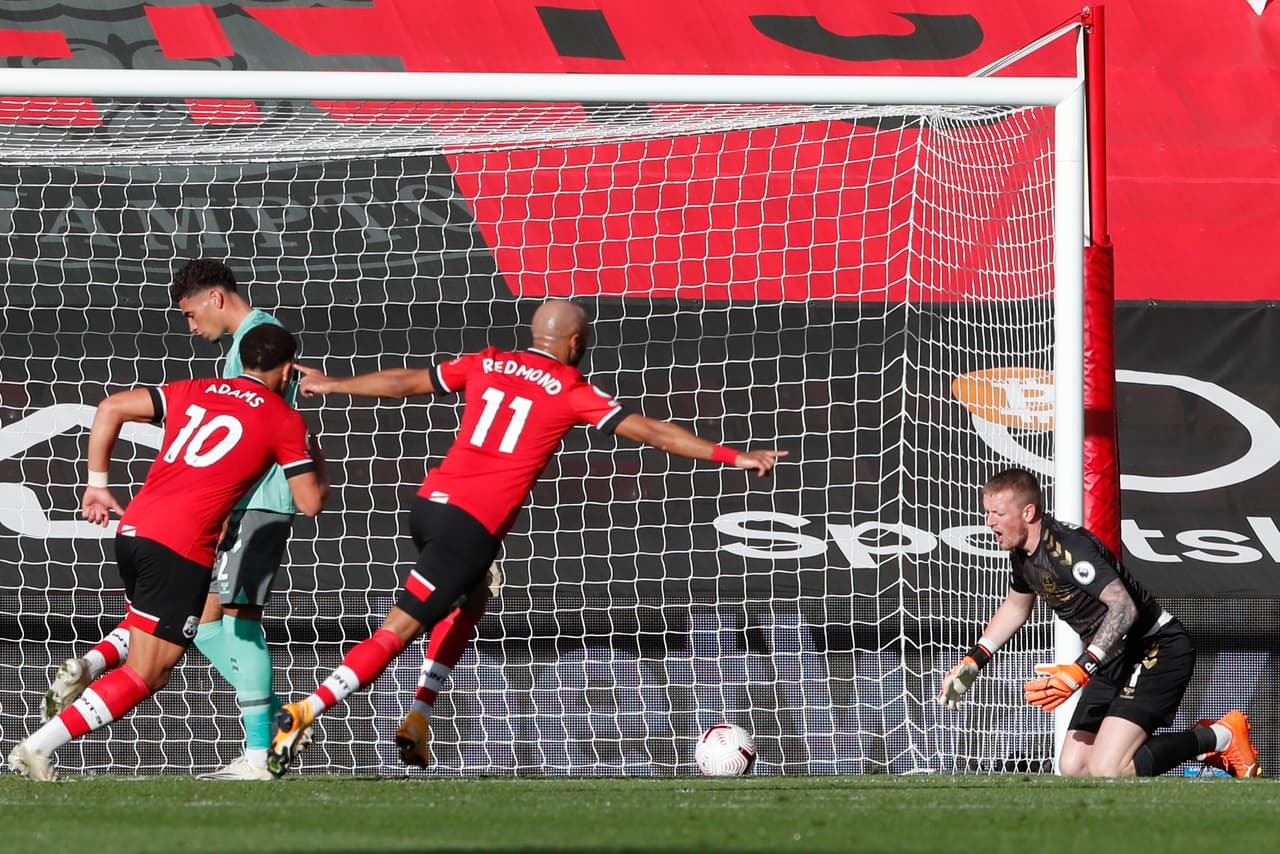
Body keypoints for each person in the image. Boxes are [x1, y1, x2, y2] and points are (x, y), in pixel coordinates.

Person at [267, 299, 787, 776]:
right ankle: (306, 709)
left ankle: (419, 716)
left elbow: (408, 382)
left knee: (471, 598)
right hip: (468, 526)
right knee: (397, 630)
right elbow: (650, 431)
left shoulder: (486, 360)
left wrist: (335, 385)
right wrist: (732, 456)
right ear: (578, 344)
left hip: (430, 507)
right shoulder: (569, 389)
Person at [9, 325, 329, 782]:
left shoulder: (194, 389)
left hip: (136, 529)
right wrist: (314, 453)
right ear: (286, 370)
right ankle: (36, 747)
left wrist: (97, 486)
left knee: (147, 635)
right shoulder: (284, 418)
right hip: (181, 545)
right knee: (148, 674)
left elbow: (111, 406)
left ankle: (91, 665)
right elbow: (310, 502)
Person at [937, 467, 1261, 778]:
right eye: (987, 512)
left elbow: (1124, 609)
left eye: (998, 514)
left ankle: (1218, 736)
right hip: (1113, 658)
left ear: (1028, 512)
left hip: (1155, 648)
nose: (989, 522)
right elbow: (1015, 607)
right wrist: (973, 662)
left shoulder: (1067, 549)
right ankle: (1200, 742)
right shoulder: (1022, 555)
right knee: (1075, 766)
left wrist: (1081, 669)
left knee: (1109, 769)